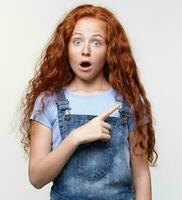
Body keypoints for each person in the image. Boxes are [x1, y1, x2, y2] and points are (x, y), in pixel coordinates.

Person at [19, 4, 157, 200]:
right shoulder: (48, 101)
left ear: (110, 49)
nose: (85, 50)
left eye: (96, 43)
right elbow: (36, 178)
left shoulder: (130, 101)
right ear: (66, 48)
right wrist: (75, 138)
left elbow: (141, 175)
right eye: (77, 41)